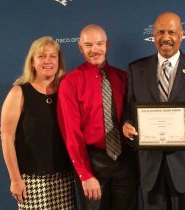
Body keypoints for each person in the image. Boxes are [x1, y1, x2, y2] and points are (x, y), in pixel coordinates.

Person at [122, 12, 185, 210]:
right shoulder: (136, 69)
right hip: (151, 170)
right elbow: (129, 113)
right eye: (160, 32)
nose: (166, 37)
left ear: (182, 35)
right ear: (153, 35)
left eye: (171, 32)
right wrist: (126, 126)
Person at [57, 24, 137, 210]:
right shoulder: (70, 82)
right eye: (88, 45)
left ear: (107, 45)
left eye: (99, 43)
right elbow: (71, 133)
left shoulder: (123, 78)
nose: (94, 49)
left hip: (125, 162)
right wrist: (85, 174)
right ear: (80, 48)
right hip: (92, 163)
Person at [1, 36, 75, 209]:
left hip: (64, 178)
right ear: (32, 62)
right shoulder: (19, 92)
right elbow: (6, 138)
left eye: (52, 56)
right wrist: (15, 179)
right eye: (41, 56)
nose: (47, 61)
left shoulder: (67, 91)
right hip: (31, 182)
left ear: (59, 61)